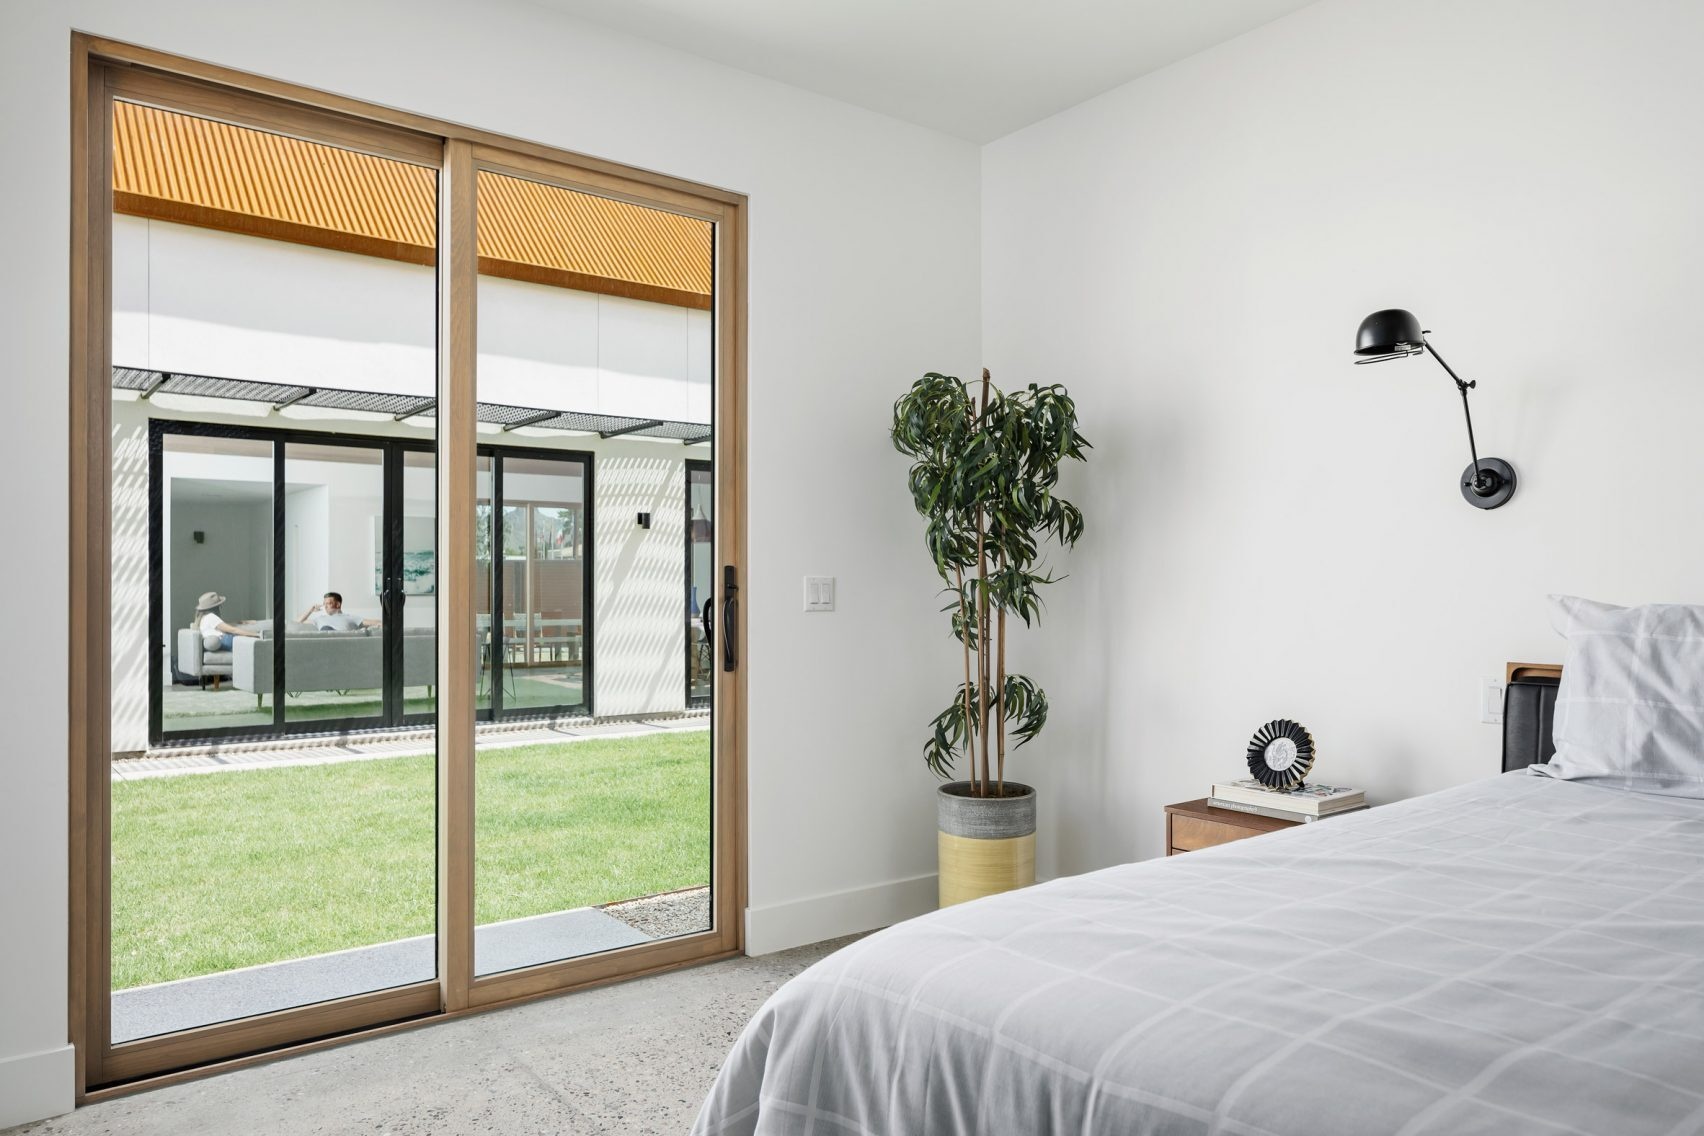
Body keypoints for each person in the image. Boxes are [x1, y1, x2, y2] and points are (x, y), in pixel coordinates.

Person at [193, 591, 262, 650]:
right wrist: (257, 635)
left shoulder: (203, 619)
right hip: (226, 640)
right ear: (215, 607)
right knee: (254, 643)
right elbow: (233, 630)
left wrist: (243, 622)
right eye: (219, 606)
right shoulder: (211, 617)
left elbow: (224, 625)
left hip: (223, 641)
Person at [296, 591, 381, 631]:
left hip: (341, 642)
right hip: (324, 643)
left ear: (338, 604)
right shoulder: (319, 619)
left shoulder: (351, 618)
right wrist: (310, 610)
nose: (325, 606)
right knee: (325, 628)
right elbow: (298, 621)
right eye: (324, 604)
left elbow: (377, 622)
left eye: (328, 603)